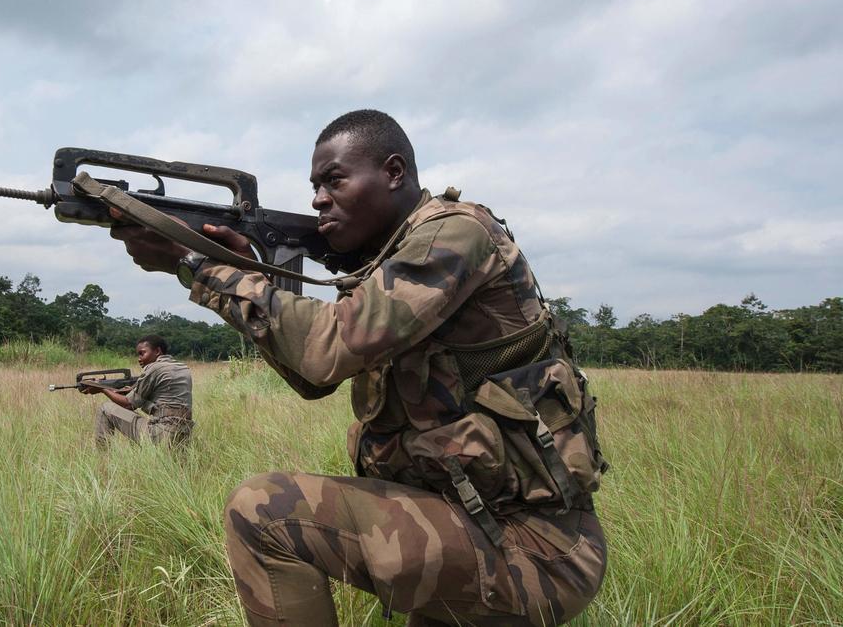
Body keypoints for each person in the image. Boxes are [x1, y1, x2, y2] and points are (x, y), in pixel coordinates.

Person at [109, 110, 609, 625]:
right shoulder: (385, 266)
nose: (318, 198)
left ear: (393, 172)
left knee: (261, 511)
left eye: (334, 180)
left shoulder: (454, 235)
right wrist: (245, 272)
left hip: (532, 549)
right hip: (470, 521)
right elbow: (310, 378)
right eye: (315, 186)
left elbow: (326, 349)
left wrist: (196, 264)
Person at [82, 334, 194, 447]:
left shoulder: (154, 368)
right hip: (184, 434)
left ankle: (103, 459)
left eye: (142, 353)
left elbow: (128, 404)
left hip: (161, 432)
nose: (139, 358)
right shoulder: (182, 368)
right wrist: (128, 391)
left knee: (105, 408)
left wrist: (102, 389)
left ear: (157, 351)